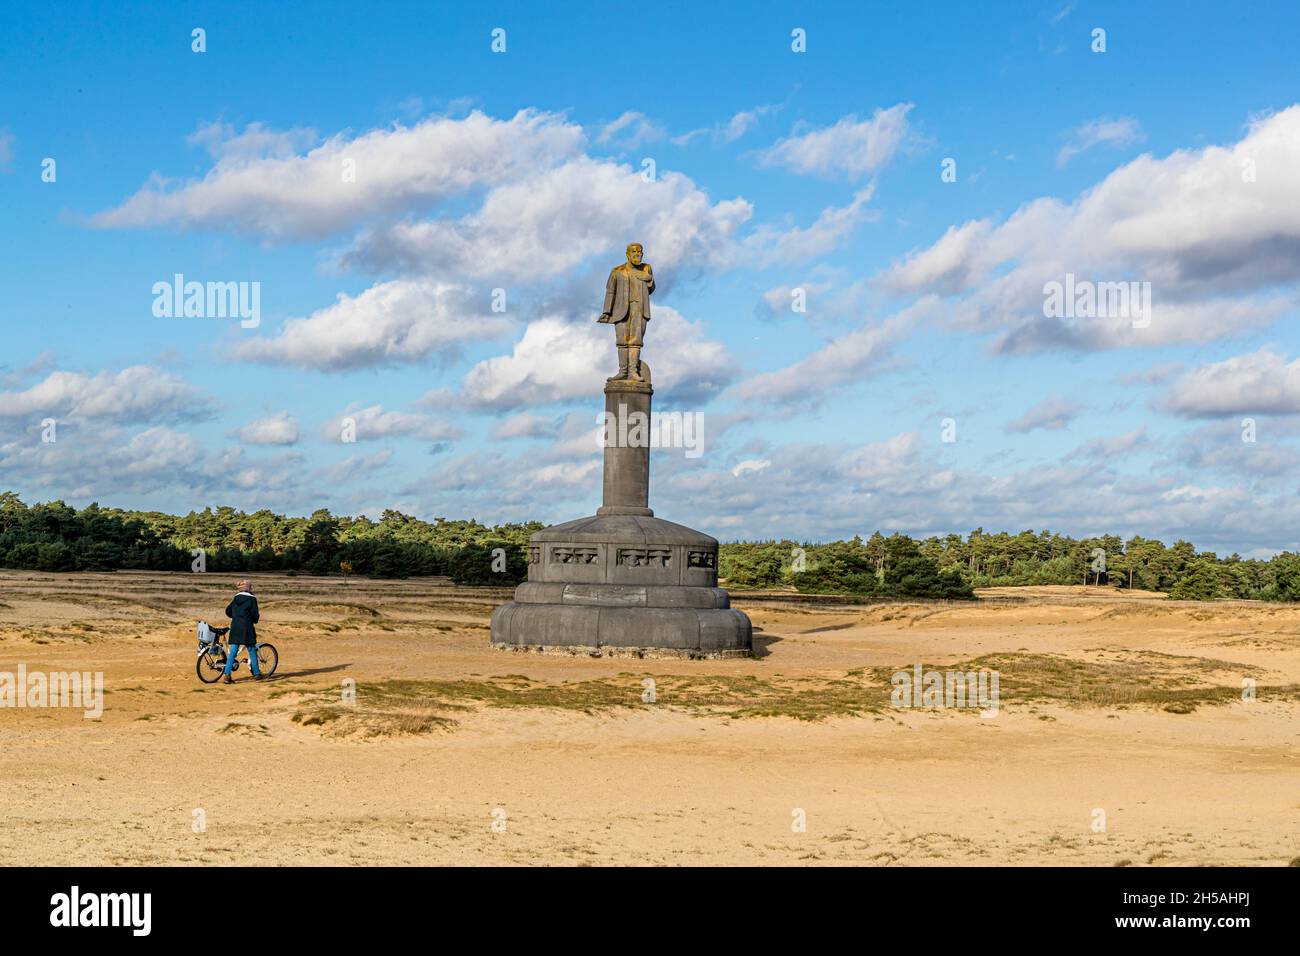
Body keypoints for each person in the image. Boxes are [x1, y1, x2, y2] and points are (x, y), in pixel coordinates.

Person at [597, 242, 655, 381]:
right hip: (621, 311)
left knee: (636, 341)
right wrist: (606, 311)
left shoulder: (646, 269)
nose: (637, 255)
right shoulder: (617, 271)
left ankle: (633, 372)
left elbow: (652, 288)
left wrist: (647, 277)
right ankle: (623, 372)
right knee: (622, 341)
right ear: (628, 255)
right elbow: (610, 291)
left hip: (639, 309)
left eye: (640, 253)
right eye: (634, 253)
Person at [222, 580, 262, 683]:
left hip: (235, 627)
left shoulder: (236, 598)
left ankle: (227, 674)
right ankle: (257, 674)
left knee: (233, 652)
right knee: (252, 650)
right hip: (247, 628)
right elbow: (255, 615)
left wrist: (235, 617)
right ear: (249, 588)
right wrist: (254, 620)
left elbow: (228, 611)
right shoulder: (252, 599)